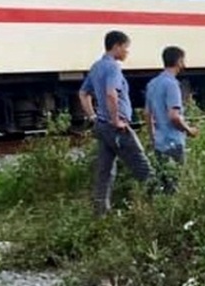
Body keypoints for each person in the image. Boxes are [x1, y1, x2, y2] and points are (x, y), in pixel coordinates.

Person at [78, 30, 153, 216]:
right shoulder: (113, 68)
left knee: (105, 172)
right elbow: (112, 94)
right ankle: (162, 205)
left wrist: (93, 117)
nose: (127, 52)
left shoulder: (96, 67)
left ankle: (100, 214)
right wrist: (116, 120)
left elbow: (82, 94)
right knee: (143, 167)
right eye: (126, 48)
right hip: (115, 127)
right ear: (117, 46)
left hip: (102, 126)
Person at [144, 46, 198, 194]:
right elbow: (174, 116)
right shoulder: (172, 84)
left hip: (159, 142)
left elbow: (147, 114)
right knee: (175, 185)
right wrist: (189, 130)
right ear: (179, 61)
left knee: (164, 184)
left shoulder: (152, 84)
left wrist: (152, 137)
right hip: (173, 142)